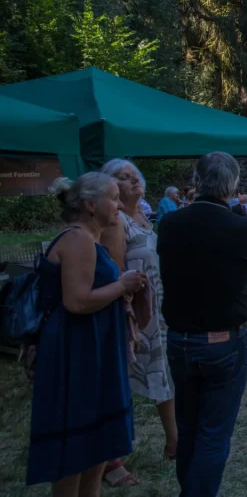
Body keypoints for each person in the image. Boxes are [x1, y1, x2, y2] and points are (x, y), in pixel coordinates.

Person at [27, 173, 146, 493]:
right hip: (77, 351)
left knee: (96, 447)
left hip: (93, 345)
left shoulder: (89, 238)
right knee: (76, 450)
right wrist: (121, 285)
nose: (120, 204)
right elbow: (77, 302)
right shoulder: (77, 238)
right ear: (91, 205)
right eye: (114, 198)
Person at [158, 152, 247, 497]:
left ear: (197, 180)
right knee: (213, 434)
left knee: (188, 429)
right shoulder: (245, 228)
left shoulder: (171, 223)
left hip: (179, 339)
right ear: (233, 186)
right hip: (223, 340)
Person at [100, 159, 177, 470]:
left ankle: (173, 440)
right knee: (123, 380)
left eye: (134, 175)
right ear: (110, 187)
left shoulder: (142, 216)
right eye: (123, 177)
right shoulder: (118, 222)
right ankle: (111, 459)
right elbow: (113, 273)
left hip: (154, 309)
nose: (132, 180)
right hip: (132, 312)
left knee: (161, 372)